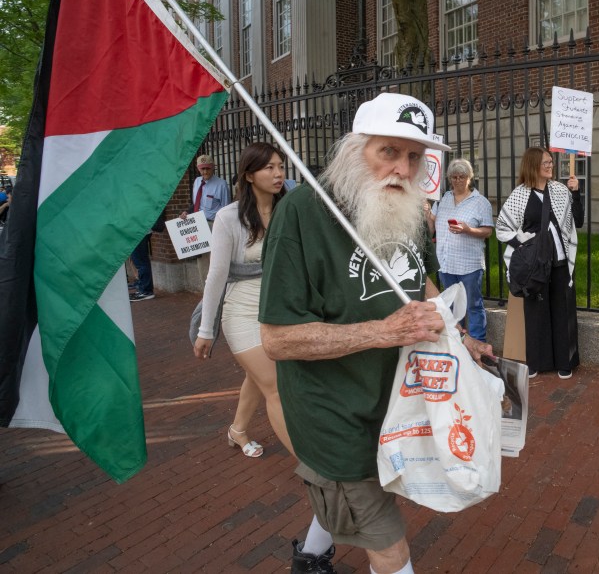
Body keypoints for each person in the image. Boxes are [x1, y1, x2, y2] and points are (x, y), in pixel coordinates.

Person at [258, 93, 494, 574]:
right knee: (388, 545)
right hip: (333, 412)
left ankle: (310, 555)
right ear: (354, 149)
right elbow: (277, 339)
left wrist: (459, 335)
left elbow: (421, 283)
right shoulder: (302, 213)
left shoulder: (406, 207)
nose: (403, 169)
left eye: (414, 155)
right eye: (389, 151)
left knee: (356, 494)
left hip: (393, 402)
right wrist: (381, 332)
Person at [193, 142, 293, 460]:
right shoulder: (228, 217)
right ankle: (314, 468)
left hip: (279, 309)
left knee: (256, 375)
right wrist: (206, 330)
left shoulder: (289, 209)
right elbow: (216, 276)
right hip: (242, 310)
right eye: (269, 168)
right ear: (249, 175)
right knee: (276, 386)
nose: (278, 174)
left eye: (281, 166)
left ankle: (237, 431)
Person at [496, 146, 583, 379]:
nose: (550, 165)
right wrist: (522, 245)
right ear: (533, 165)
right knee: (536, 313)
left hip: (560, 260)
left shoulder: (560, 190)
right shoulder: (520, 195)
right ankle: (537, 360)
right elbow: (502, 228)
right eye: (545, 163)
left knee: (563, 310)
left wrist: (576, 193)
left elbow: (578, 222)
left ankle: (566, 361)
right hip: (535, 264)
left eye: (550, 162)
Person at [427, 159, 494, 341]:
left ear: (469, 178)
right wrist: (427, 215)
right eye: (454, 177)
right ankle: (456, 342)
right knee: (451, 306)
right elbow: (431, 227)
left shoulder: (480, 202)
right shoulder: (442, 200)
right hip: (446, 263)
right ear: (449, 179)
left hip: (469, 265)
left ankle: (478, 343)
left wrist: (468, 230)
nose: (458, 180)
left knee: (473, 305)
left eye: (462, 177)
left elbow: (488, 231)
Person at [183, 154, 231, 225]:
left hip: (213, 223)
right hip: (197, 222)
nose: (205, 172)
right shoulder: (197, 181)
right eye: (202, 169)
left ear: (213, 167)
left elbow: (226, 209)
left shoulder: (221, 184)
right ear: (198, 168)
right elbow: (196, 204)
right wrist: (187, 212)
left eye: (208, 168)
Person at [128, 215, 165, 302]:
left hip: (138, 231)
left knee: (141, 261)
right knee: (141, 261)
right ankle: (143, 289)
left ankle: (146, 291)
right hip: (141, 230)